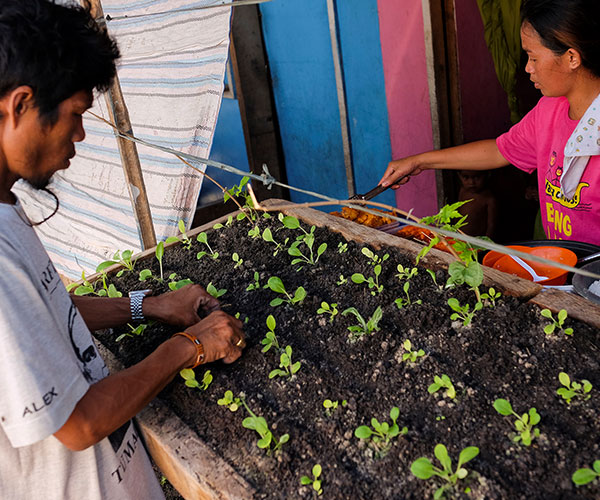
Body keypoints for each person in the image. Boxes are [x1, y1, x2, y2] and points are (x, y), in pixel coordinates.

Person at [0, 1, 245, 499]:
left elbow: (46, 313)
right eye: (75, 114)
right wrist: (190, 346)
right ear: (20, 104)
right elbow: (81, 424)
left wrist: (148, 306)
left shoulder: (7, 206)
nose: (81, 135)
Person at [379, 0, 600, 246]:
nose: (527, 68)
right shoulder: (549, 111)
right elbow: (498, 150)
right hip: (562, 268)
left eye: (533, 57)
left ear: (571, 58)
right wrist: (418, 161)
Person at [456, 170, 498, 238]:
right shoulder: (462, 191)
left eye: (477, 177)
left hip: (477, 242)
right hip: (459, 238)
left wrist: (486, 244)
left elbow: (491, 225)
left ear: (487, 175)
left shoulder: (489, 199)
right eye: (466, 177)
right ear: (459, 176)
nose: (471, 182)